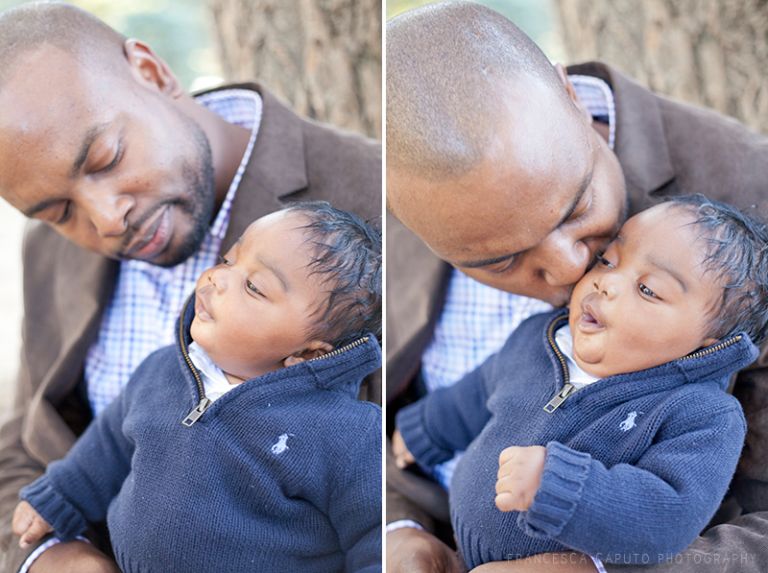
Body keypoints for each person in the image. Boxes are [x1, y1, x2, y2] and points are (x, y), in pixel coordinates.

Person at [386, 2, 768, 573]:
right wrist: (396, 530)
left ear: (571, 98)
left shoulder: (749, 189)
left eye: (576, 208)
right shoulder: (393, 196)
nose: (571, 273)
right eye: (502, 259)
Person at [0, 3, 380, 572]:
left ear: (152, 73)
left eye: (107, 157)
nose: (107, 220)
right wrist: (47, 557)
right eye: (57, 210)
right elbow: (27, 442)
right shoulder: (50, 248)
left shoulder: (376, 203)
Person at [392, 196, 767, 569]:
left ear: (708, 343)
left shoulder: (701, 416)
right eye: (608, 260)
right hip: (457, 548)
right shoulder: (540, 338)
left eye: (648, 289)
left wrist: (558, 486)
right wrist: (425, 428)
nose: (606, 283)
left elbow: (668, 513)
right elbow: (477, 392)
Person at [12, 202, 382, 572]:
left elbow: (373, 539)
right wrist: (60, 495)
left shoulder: (347, 434)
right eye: (227, 260)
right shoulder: (163, 370)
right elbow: (107, 447)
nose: (215, 278)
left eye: (253, 286)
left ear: (306, 353)